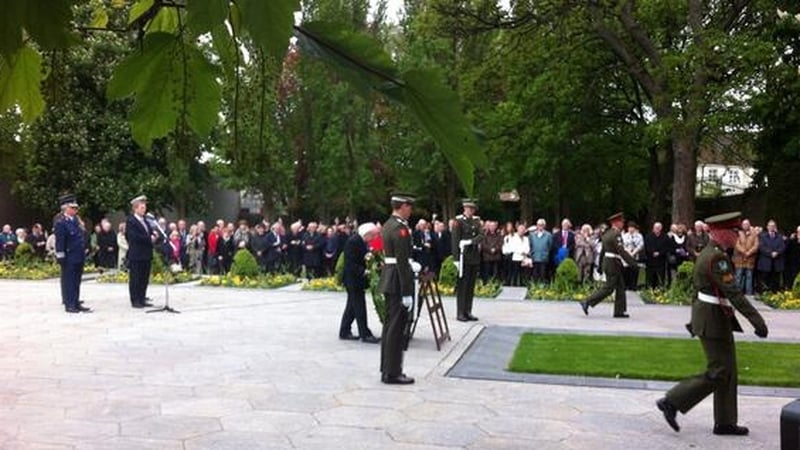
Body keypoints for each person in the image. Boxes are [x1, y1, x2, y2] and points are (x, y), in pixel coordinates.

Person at [656, 212, 768, 437]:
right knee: (719, 370)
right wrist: (757, 321)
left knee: (728, 371)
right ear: (719, 232)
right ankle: (672, 401)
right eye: (731, 232)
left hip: (713, 317)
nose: (735, 236)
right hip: (713, 320)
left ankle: (725, 422)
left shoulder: (711, 253)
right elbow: (734, 293)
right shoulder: (717, 258)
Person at [378, 193, 416, 385]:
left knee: (390, 327)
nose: (411, 210)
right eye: (409, 207)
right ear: (402, 206)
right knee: (395, 328)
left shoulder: (388, 224)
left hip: (390, 277)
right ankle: (393, 372)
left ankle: (388, 369)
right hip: (397, 281)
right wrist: (407, 291)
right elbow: (401, 262)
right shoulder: (400, 229)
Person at [580, 212, 638, 318]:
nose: (623, 224)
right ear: (616, 223)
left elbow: (603, 251)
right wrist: (633, 263)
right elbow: (621, 251)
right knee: (609, 288)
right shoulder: (616, 234)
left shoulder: (607, 234)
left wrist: (601, 266)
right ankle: (587, 301)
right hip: (613, 263)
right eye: (621, 222)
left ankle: (619, 311)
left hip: (609, 262)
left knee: (620, 286)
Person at [339, 222, 381, 344]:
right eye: (373, 236)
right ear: (367, 234)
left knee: (352, 307)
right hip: (353, 280)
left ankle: (344, 331)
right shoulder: (353, 241)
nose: (373, 239)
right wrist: (364, 271)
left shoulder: (361, 241)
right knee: (359, 307)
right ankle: (365, 334)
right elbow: (350, 263)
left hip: (357, 279)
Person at [54, 194, 91, 313]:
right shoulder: (61, 223)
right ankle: (69, 304)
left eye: (76, 208)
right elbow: (60, 242)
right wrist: (61, 257)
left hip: (78, 255)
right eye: (73, 208)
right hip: (69, 256)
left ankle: (75, 302)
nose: (75, 210)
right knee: (69, 280)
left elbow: (81, 237)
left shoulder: (76, 221)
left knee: (76, 281)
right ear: (66, 208)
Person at [451, 198, 484, 322]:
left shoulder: (476, 221)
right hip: (463, 257)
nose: (471, 211)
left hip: (474, 257)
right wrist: (456, 259)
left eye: (472, 209)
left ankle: (468, 311)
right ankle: (460, 312)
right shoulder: (458, 221)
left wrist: (470, 241)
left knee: (470, 286)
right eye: (469, 208)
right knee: (463, 286)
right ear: (464, 208)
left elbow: (481, 236)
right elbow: (455, 240)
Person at [125, 195, 155, 309]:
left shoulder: (146, 220)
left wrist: (153, 235)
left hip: (146, 253)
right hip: (136, 254)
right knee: (136, 278)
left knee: (144, 278)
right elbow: (133, 237)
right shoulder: (131, 220)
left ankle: (142, 298)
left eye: (145, 207)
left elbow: (149, 232)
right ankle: (135, 300)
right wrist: (149, 238)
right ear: (135, 208)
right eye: (142, 207)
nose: (144, 209)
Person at [756, 220, 785, 293]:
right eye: (770, 226)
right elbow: (761, 247)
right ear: (767, 227)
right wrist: (770, 253)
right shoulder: (762, 236)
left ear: (775, 227)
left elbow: (782, 247)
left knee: (775, 280)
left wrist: (777, 252)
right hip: (766, 262)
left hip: (777, 262)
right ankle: (764, 293)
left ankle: (774, 293)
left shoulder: (779, 236)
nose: (772, 227)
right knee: (764, 279)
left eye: (773, 226)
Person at [732, 219, 758, 296]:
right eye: (744, 224)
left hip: (750, 259)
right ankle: (737, 293)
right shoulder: (738, 233)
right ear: (742, 225)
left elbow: (756, 245)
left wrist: (749, 252)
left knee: (749, 276)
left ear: (749, 225)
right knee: (738, 276)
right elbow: (737, 244)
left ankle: (748, 293)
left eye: (747, 224)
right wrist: (744, 252)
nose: (745, 226)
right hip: (739, 258)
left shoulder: (754, 234)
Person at [644, 222, 671, 289]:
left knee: (660, 277)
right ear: (653, 228)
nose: (657, 229)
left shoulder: (665, 237)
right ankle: (649, 289)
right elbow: (646, 247)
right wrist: (652, 252)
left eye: (658, 228)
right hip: (650, 260)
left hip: (661, 261)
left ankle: (660, 288)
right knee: (650, 277)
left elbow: (667, 247)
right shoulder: (648, 236)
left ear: (661, 228)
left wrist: (659, 253)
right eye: (656, 228)